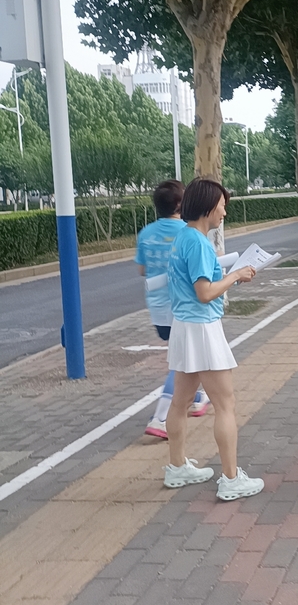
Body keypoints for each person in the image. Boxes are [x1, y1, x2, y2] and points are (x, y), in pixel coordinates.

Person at [164, 177, 264, 501]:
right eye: (221, 206)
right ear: (208, 207)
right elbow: (205, 293)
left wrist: (228, 276)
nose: (224, 213)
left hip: (183, 327)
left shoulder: (183, 237)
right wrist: (235, 276)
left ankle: (177, 466)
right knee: (225, 404)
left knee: (180, 402)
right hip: (203, 329)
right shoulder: (198, 243)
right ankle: (231, 478)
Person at [134, 179, 209, 439]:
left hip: (157, 308)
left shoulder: (146, 233)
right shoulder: (188, 232)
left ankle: (197, 397)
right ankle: (160, 417)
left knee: (189, 355)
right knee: (182, 361)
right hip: (183, 305)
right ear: (179, 204)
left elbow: (142, 269)